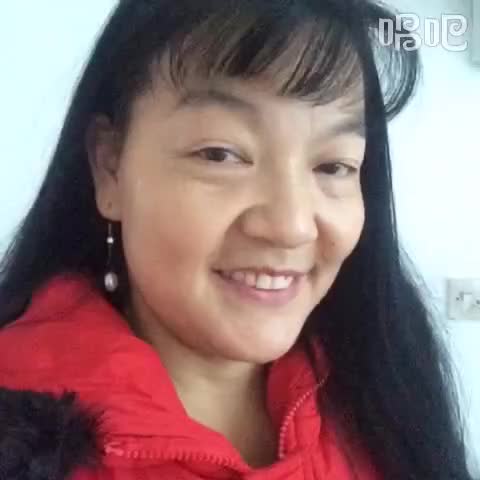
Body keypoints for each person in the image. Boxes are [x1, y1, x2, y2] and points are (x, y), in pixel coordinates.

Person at [0, 1, 474, 479]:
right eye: (220, 154)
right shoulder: (20, 434)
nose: (292, 225)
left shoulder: (388, 392)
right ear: (110, 167)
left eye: (333, 166)